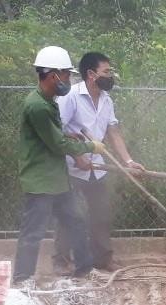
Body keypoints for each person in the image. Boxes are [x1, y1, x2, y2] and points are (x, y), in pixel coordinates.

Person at [13, 45, 107, 284]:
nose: (68, 78)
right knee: (33, 232)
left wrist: (71, 138)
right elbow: (56, 144)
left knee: (75, 222)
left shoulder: (47, 100)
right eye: (66, 74)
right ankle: (22, 278)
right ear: (53, 74)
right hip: (41, 180)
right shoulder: (37, 106)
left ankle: (84, 269)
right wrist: (90, 147)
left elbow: (55, 136)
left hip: (56, 179)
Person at [53, 52, 145, 274]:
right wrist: (77, 156)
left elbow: (113, 132)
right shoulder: (70, 97)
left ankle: (102, 259)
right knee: (70, 214)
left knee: (101, 213)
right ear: (91, 74)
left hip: (97, 166)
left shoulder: (106, 99)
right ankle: (61, 261)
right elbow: (57, 130)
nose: (110, 75)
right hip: (71, 167)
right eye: (107, 71)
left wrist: (128, 161)